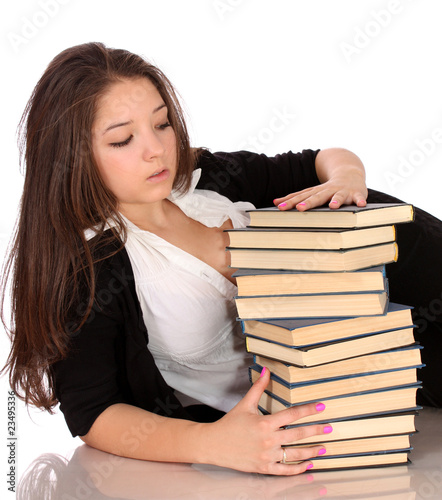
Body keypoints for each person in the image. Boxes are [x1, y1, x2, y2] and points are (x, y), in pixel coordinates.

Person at [1, 42, 440, 477]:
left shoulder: (205, 179)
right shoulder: (90, 264)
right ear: (71, 157)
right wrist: (213, 443)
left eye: (162, 124)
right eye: (122, 139)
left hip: (412, 303)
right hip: (358, 407)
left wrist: (348, 178)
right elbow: (92, 411)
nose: (156, 150)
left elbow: (319, 161)